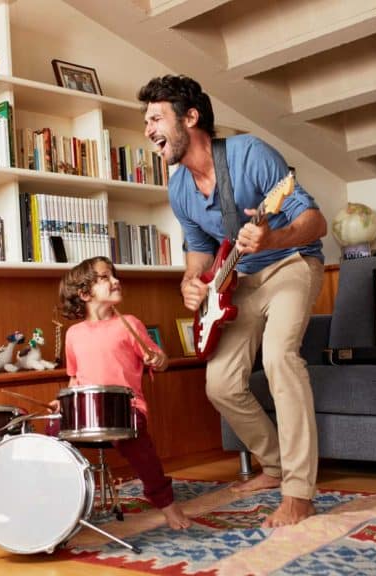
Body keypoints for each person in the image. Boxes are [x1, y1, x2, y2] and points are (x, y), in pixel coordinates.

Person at [138, 75, 327, 527]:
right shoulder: (179, 187)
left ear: (190, 117)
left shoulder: (249, 154)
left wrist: (272, 236)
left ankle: (298, 490)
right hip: (239, 280)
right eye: (145, 121)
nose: (147, 129)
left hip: (291, 264)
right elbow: (199, 250)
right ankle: (275, 464)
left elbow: (316, 222)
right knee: (219, 384)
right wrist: (192, 281)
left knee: (280, 357)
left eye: (155, 117)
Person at [54, 256, 191, 530]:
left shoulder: (129, 323)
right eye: (105, 277)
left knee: (139, 448)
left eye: (114, 275)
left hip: (127, 409)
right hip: (88, 411)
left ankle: (167, 504)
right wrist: (64, 405)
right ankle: (58, 505)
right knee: (52, 438)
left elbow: (160, 360)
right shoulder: (73, 334)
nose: (116, 281)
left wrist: (158, 359)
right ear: (84, 293)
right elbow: (74, 377)